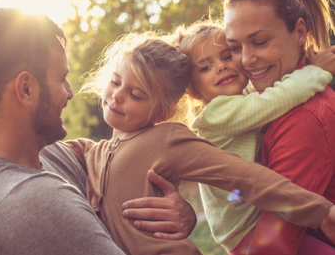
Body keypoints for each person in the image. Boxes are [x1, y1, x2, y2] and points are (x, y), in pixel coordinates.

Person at [55, 31, 335, 255]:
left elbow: (247, 177)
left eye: (136, 95)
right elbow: (33, 146)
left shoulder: (168, 139)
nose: (117, 97)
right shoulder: (91, 152)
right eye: (115, 82)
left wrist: (319, 210)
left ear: (162, 112)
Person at [0, 8, 196, 255]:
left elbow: (107, 160)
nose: (70, 92)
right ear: (26, 89)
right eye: (61, 78)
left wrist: (183, 212)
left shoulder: (30, 152)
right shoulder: (34, 201)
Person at [172, 19, 335, 254]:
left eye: (227, 56)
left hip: (258, 216)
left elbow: (274, 90)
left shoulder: (245, 97)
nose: (220, 67)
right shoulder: (216, 115)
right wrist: (316, 71)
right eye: (205, 67)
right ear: (195, 91)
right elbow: (278, 98)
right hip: (244, 232)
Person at [222, 0, 335, 254]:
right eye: (234, 47)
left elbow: (272, 244)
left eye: (259, 41)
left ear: (299, 32)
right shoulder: (264, 103)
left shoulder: (304, 117)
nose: (246, 59)